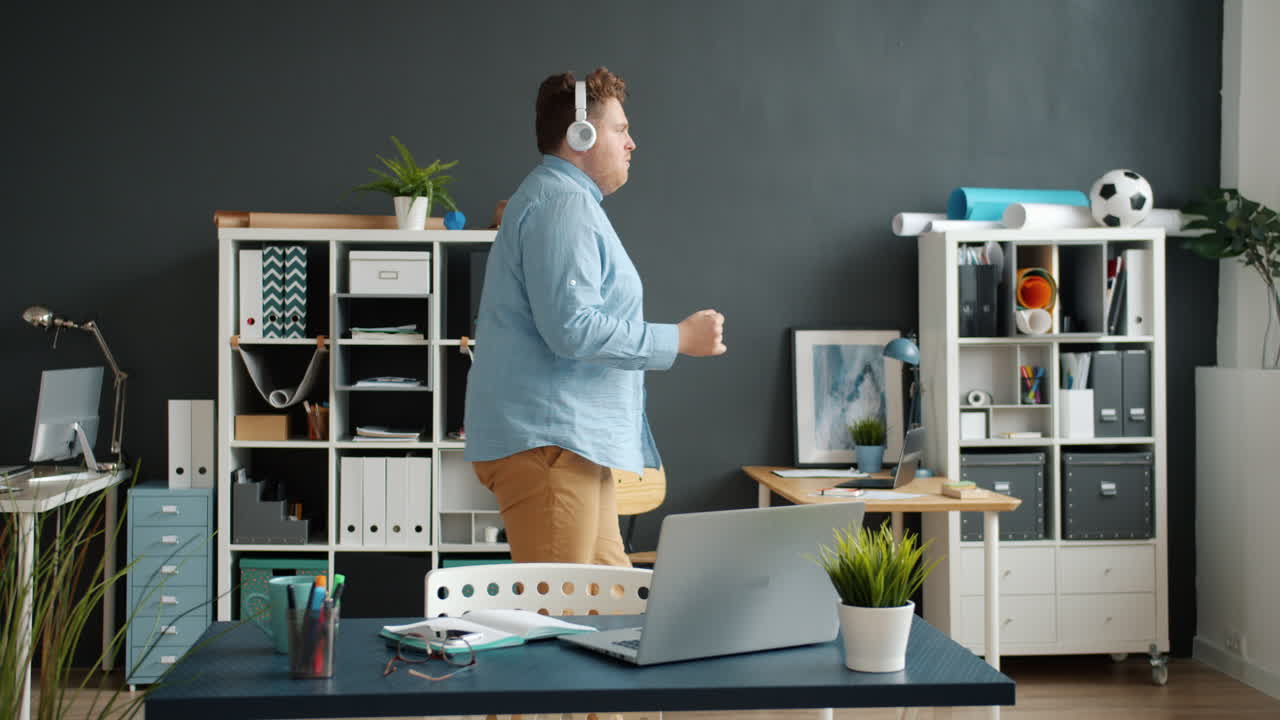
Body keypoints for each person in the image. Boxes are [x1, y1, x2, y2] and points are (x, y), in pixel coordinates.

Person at [463, 67, 726, 566]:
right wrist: (679, 339)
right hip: (551, 448)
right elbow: (572, 328)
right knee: (559, 617)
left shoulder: (568, 202)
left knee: (609, 609)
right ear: (580, 135)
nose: (632, 143)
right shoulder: (561, 204)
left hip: (571, 449)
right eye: (620, 129)